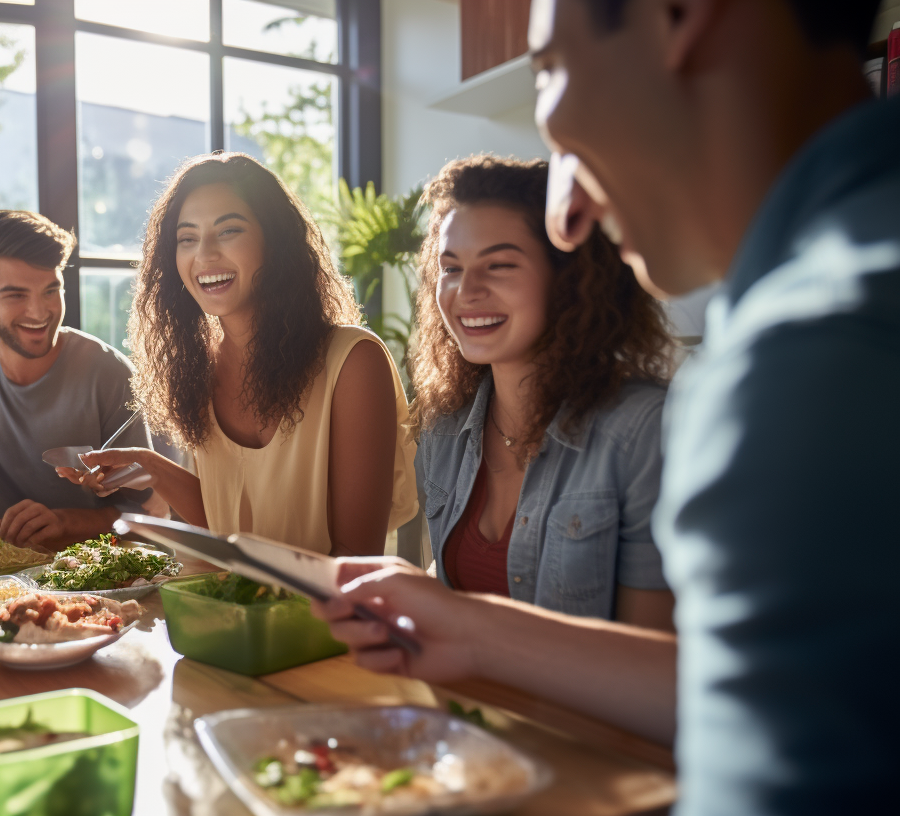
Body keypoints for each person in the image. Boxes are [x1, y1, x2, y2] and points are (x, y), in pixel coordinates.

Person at [318, 0, 899, 813]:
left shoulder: (814, 348)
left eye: (551, 70)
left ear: (688, 17)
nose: (569, 209)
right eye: (449, 267)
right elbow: (744, 691)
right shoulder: (833, 293)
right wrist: (468, 628)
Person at [64, 153, 418, 556]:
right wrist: (152, 467)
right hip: (236, 608)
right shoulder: (198, 370)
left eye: (228, 230)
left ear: (275, 240)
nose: (205, 255)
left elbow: (355, 557)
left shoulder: (353, 361)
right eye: (187, 238)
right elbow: (226, 527)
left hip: (327, 616)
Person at [411, 155, 674, 628]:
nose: (466, 291)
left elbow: (652, 661)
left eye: (499, 265)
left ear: (570, 281)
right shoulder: (444, 427)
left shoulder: (644, 431)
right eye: (451, 268)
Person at [0, 210, 159, 551]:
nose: (39, 312)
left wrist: (65, 523)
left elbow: (148, 516)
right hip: (4, 585)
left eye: (51, 291)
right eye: (16, 295)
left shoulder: (108, 373)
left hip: (107, 582)